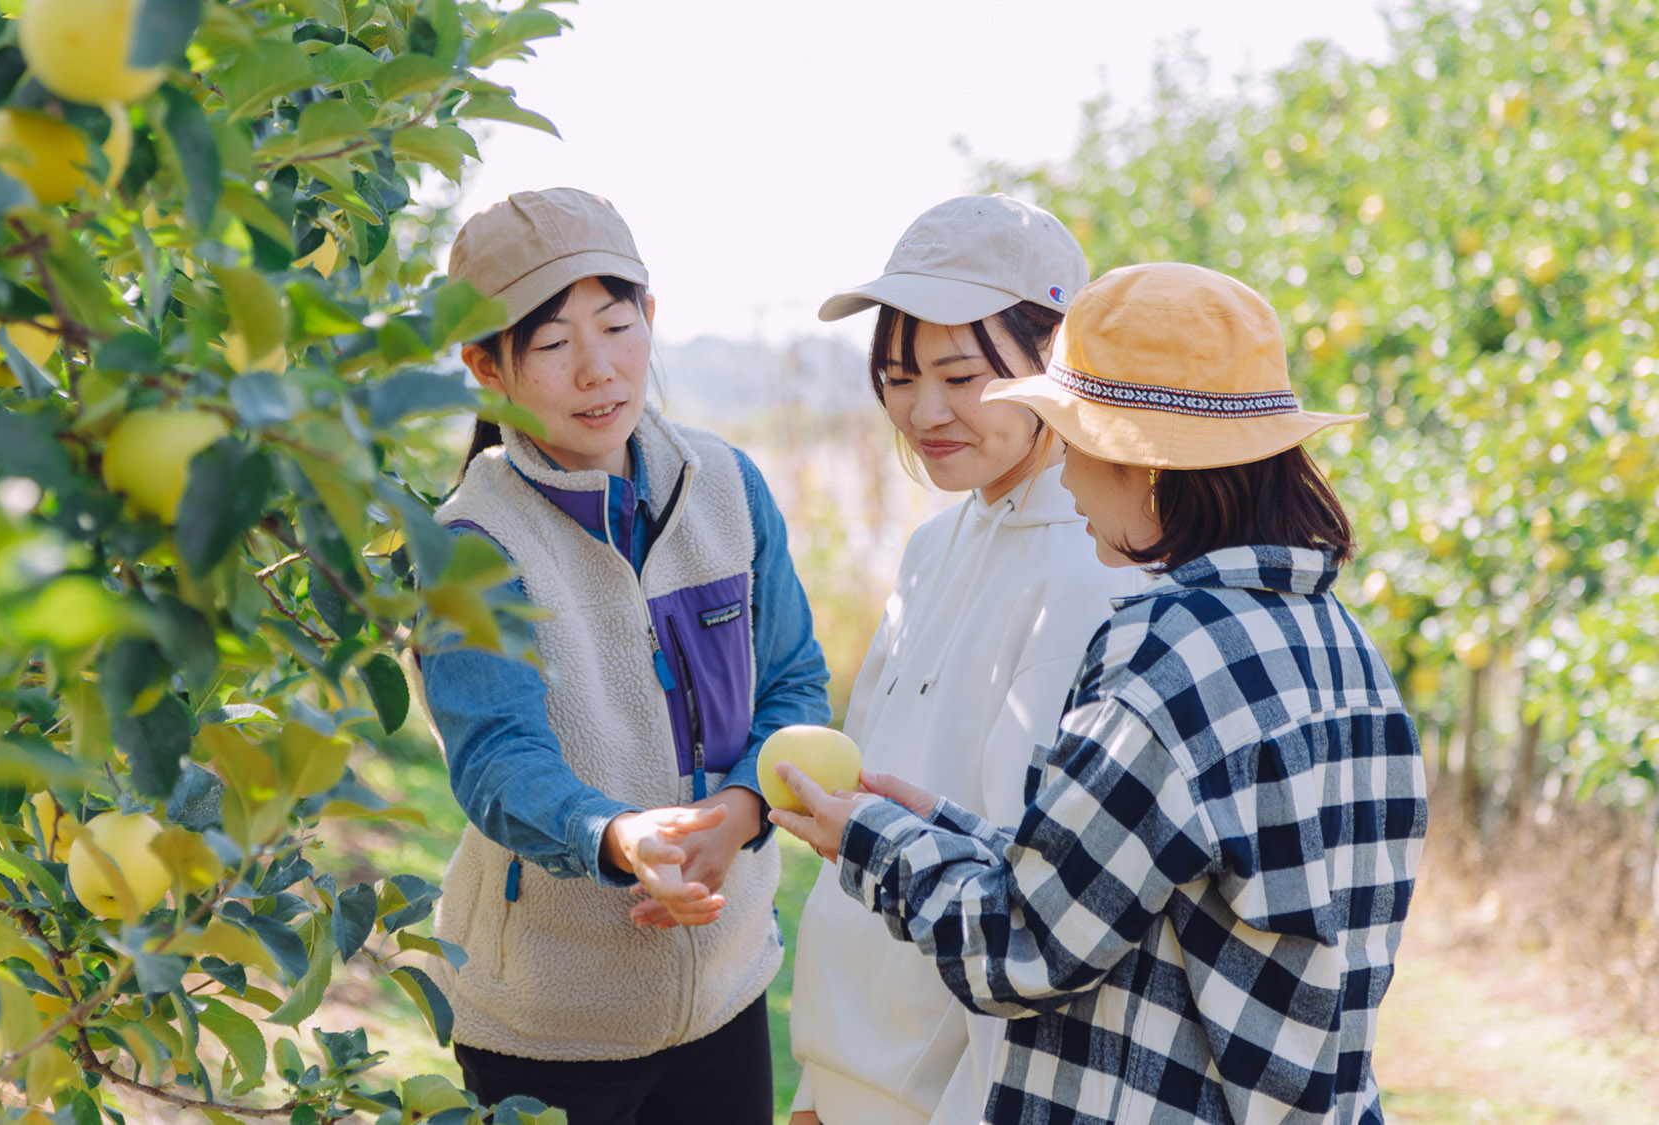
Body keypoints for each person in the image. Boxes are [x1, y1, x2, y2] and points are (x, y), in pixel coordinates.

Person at [771, 262, 1428, 1125]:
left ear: (1146, 464)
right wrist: (948, 828)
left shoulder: (1166, 648)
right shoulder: (1338, 645)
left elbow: (1026, 948)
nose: (1067, 475)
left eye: (1074, 441)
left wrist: (872, 842)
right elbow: (1136, 882)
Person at [415, 187, 831, 1124]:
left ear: (651, 316)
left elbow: (795, 682)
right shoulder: (473, 542)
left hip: (724, 990)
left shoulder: (727, 486)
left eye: (616, 324)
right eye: (555, 346)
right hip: (547, 1022)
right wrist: (618, 839)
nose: (599, 370)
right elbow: (496, 763)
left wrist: (739, 806)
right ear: (487, 367)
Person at [788, 195, 1148, 1125]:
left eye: (960, 375)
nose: (924, 410)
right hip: (846, 1083)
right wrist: (813, 1089)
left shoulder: (1085, 571)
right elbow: (865, 809)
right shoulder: (933, 547)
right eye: (901, 376)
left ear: (1059, 359)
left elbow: (1033, 913)